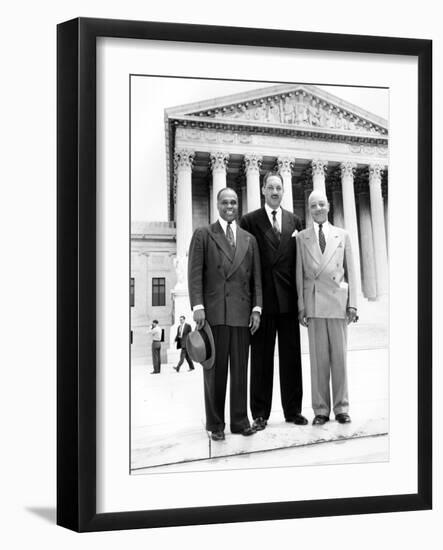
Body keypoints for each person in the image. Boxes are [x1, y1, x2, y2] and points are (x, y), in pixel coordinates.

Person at [188, 187, 262, 441]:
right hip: (215, 314)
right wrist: (197, 306)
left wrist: (256, 308)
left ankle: (240, 421)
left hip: (242, 315)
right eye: (225, 202)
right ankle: (215, 425)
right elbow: (195, 273)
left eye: (233, 202)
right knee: (215, 372)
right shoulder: (203, 234)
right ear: (217, 204)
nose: (230, 206)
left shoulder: (249, 239)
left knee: (241, 371)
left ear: (237, 205)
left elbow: (256, 280)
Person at [240, 171, 307, 430]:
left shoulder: (295, 220)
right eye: (271, 187)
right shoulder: (249, 220)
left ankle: (293, 410)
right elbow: (246, 265)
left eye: (279, 187)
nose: (275, 191)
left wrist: (302, 302)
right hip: (263, 302)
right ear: (263, 191)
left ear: (283, 191)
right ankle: (259, 413)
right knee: (261, 360)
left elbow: (300, 264)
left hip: (289, 301)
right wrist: (252, 305)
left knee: (291, 358)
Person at [296, 189, 358, 425]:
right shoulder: (302, 238)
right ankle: (321, 410)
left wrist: (353, 304)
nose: (318, 209)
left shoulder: (342, 235)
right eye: (313, 205)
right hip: (314, 304)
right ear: (309, 210)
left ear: (328, 206)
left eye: (322, 204)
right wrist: (301, 306)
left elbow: (351, 271)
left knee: (340, 359)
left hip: (338, 304)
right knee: (318, 360)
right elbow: (300, 274)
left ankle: (342, 407)